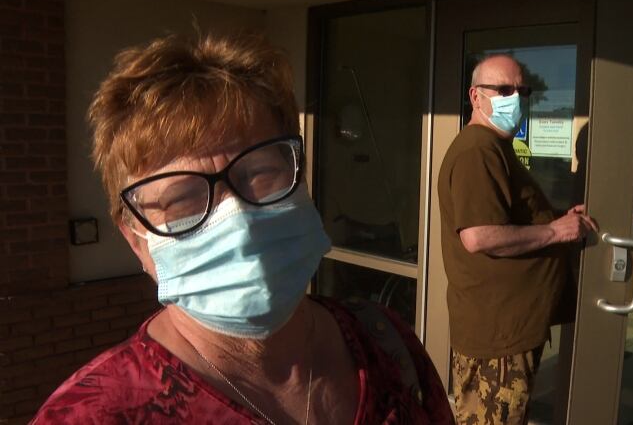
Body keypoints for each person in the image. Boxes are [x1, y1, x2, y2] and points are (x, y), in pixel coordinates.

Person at [32, 33, 454, 424]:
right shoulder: (92, 415)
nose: (237, 217)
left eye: (260, 171)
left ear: (300, 177)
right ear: (137, 243)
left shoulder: (388, 344)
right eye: (182, 198)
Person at [437, 54, 598, 424]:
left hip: (507, 328)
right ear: (475, 96)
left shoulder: (494, 147)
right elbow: (478, 236)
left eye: (521, 90)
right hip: (499, 336)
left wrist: (556, 219)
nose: (516, 98)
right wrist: (556, 231)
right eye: (504, 89)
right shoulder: (478, 149)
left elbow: (508, 216)